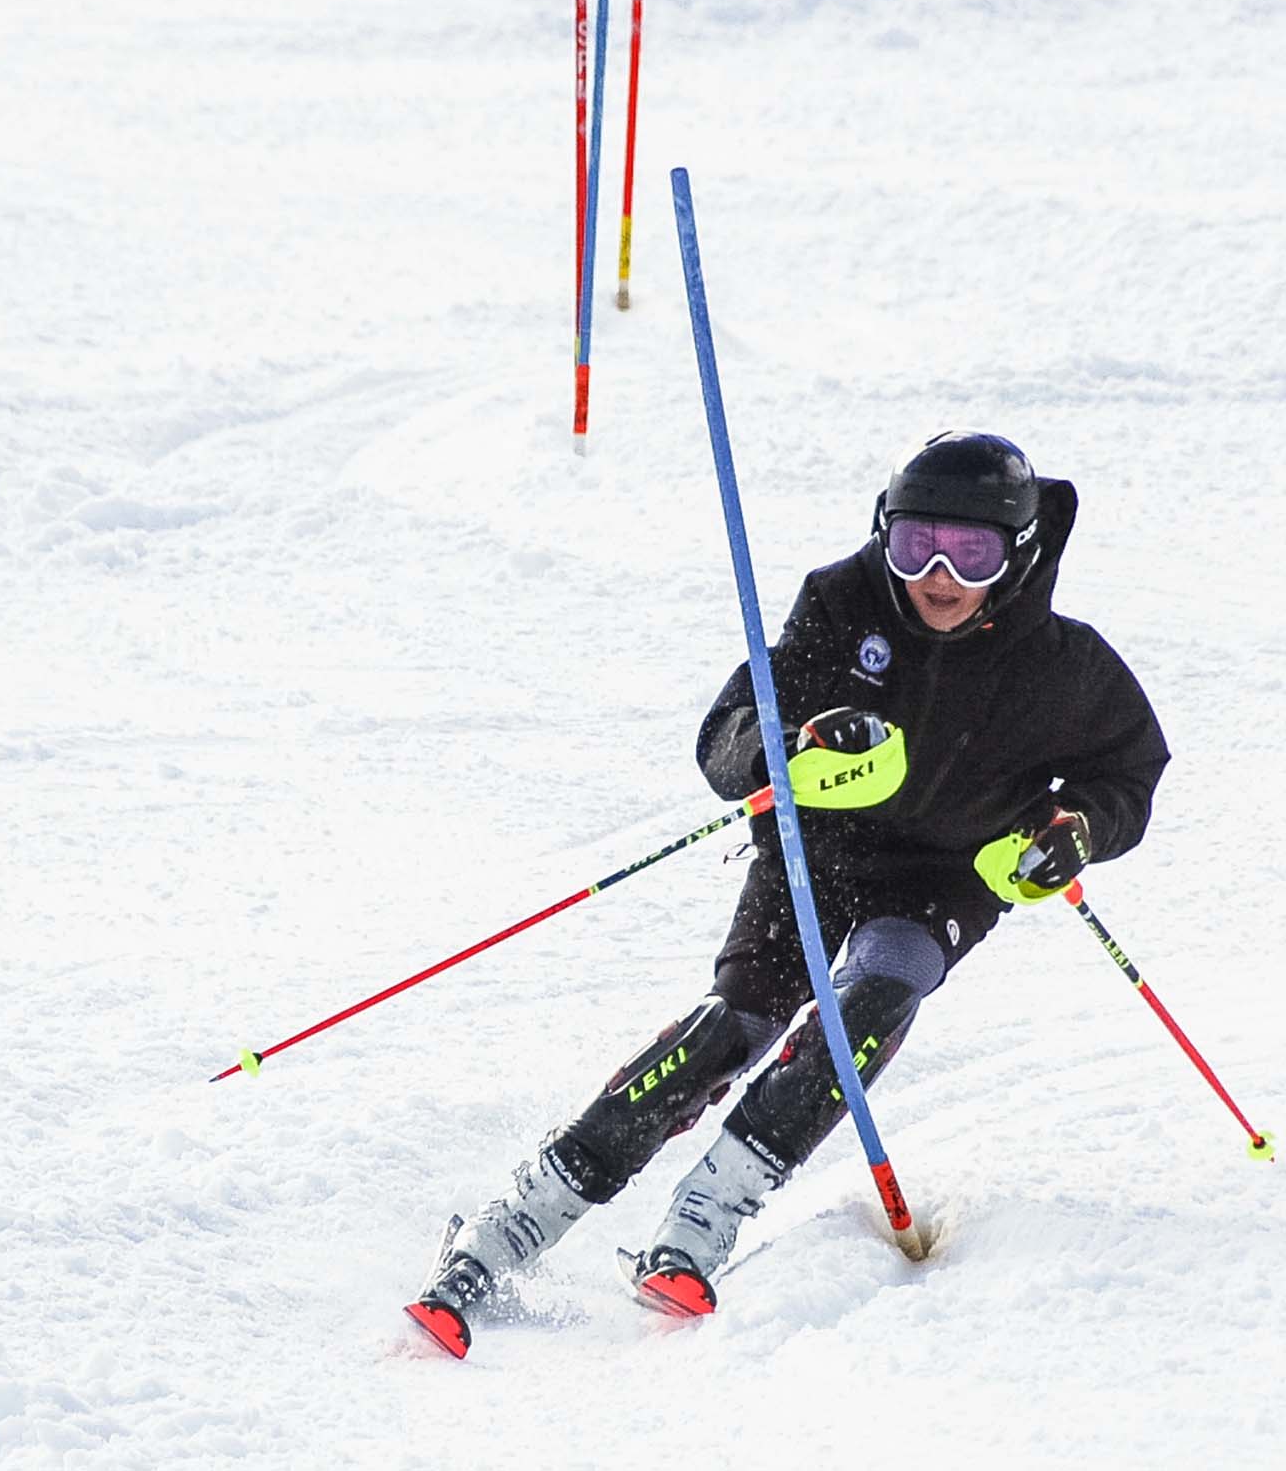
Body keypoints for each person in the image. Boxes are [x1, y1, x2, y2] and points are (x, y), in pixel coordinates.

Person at [406, 431, 1170, 1355]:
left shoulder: (1065, 666)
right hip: (817, 849)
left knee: (873, 1004)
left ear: (1020, 554)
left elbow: (1129, 770)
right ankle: (509, 1228)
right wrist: (789, 746)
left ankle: (703, 1219)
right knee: (732, 1028)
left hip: (946, 878)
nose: (938, 574)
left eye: (972, 551)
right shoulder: (842, 605)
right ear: (883, 531)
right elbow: (729, 734)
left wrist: (1078, 828)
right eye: (916, 542)